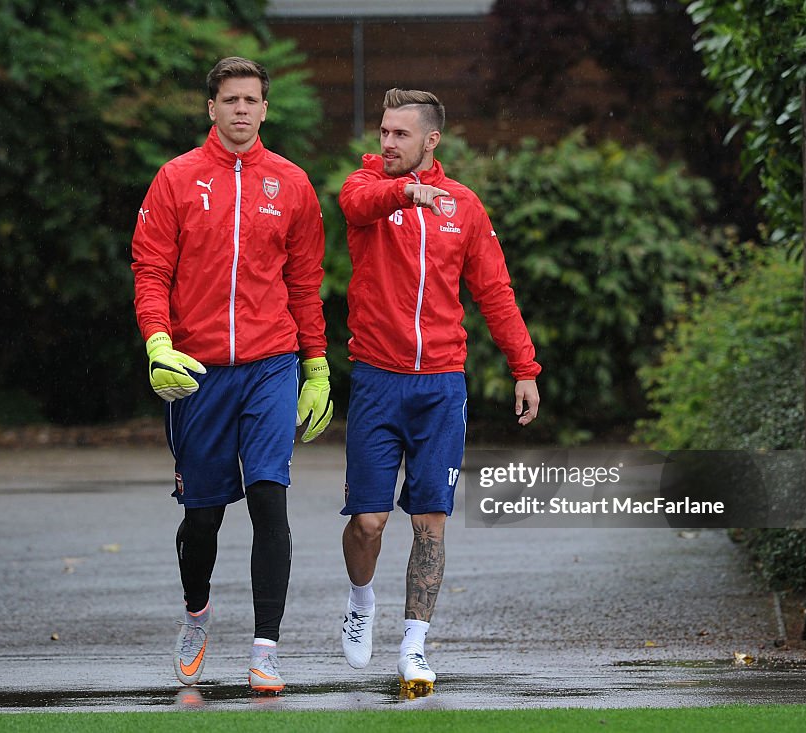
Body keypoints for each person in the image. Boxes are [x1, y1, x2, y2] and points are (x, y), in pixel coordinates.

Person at [131, 56, 333, 694]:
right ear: (211, 108)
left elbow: (304, 282)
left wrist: (318, 364)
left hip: (271, 365)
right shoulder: (176, 179)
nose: (241, 109)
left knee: (270, 498)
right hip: (198, 371)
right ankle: (197, 619)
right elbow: (150, 268)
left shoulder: (293, 184)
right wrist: (158, 343)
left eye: (252, 100)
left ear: (265, 109)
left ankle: (266, 648)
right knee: (204, 515)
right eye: (230, 100)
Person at [337, 88, 541, 696]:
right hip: (376, 379)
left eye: (401, 134)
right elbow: (361, 203)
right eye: (383, 132)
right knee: (369, 521)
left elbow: (495, 291)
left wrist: (524, 367)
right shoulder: (366, 190)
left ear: (431, 141)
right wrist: (403, 191)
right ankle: (360, 598)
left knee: (430, 521)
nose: (387, 143)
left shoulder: (464, 207)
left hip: (442, 387)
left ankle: (414, 647)